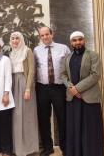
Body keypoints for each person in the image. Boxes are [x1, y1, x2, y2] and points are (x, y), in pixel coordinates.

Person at [61, 31, 104, 156]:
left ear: (84, 40)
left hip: (89, 98)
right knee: (74, 129)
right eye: (74, 40)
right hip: (73, 99)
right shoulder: (67, 57)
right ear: (71, 43)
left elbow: (95, 75)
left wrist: (77, 89)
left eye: (80, 39)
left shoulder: (93, 55)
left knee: (90, 130)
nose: (77, 42)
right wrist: (71, 88)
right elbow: (63, 74)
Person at [33, 26, 70, 156]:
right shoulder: (36, 50)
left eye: (47, 34)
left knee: (62, 119)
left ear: (52, 34)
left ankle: (65, 148)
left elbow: (69, 68)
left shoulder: (63, 48)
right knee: (43, 119)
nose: (44, 37)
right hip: (42, 88)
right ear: (39, 37)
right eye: (42, 35)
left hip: (59, 88)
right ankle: (48, 147)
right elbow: (33, 69)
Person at [9, 32, 39, 156]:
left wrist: (27, 89)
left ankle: (29, 149)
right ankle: (19, 149)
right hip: (13, 84)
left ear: (21, 39)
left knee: (27, 116)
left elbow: (31, 71)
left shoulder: (28, 51)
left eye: (17, 38)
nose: (15, 41)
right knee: (16, 116)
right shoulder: (11, 53)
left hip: (25, 83)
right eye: (13, 38)